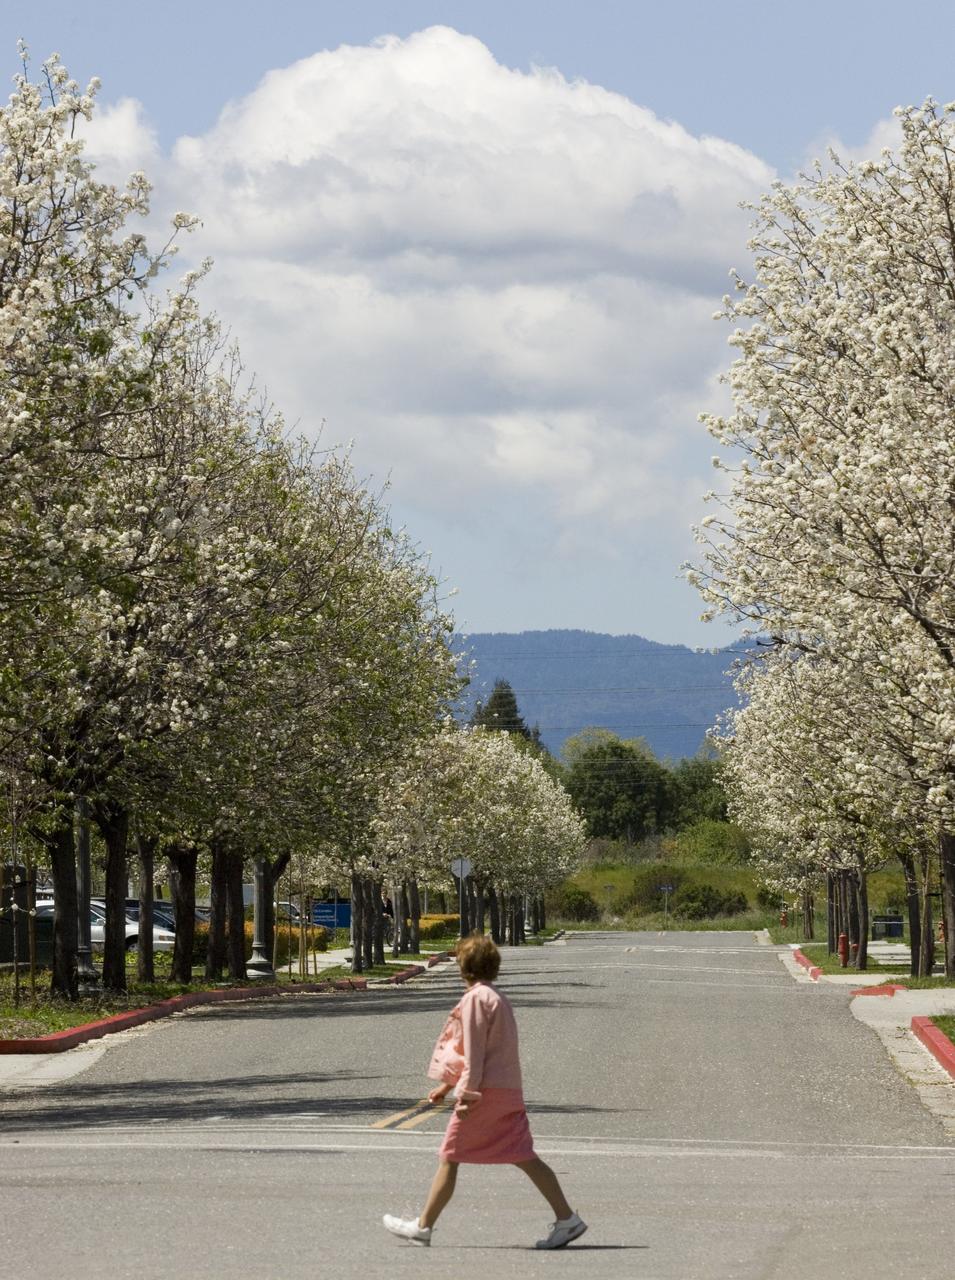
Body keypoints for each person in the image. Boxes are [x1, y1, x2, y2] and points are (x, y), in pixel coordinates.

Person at [382, 932, 587, 1250]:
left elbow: (475, 1053)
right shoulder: (496, 997)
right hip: (505, 1089)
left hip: (483, 1093)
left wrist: (464, 1094)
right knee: (524, 1155)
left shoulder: (475, 999)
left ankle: (423, 1227)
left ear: (465, 966)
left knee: (450, 1156)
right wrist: (446, 1085)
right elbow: (481, 1050)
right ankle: (567, 1219)